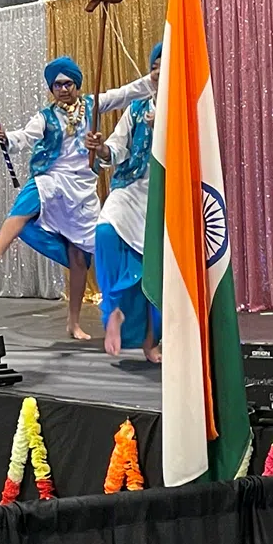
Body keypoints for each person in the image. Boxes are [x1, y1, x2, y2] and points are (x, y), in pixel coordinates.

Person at [0, 55, 156, 340]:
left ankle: (77, 321)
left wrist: (154, 78)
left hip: (82, 190)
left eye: (68, 83)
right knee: (31, 196)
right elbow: (25, 136)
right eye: (57, 85)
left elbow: (125, 93)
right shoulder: (45, 117)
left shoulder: (92, 104)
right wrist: (6, 138)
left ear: (77, 85)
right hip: (54, 178)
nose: (63, 89)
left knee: (79, 259)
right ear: (52, 89)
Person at [86, 43, 163, 362]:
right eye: (154, 65)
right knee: (105, 233)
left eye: (164, 65)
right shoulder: (136, 109)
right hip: (129, 188)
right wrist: (102, 149)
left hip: (164, 197)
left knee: (155, 271)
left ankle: (151, 341)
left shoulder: (187, 109)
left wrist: (165, 124)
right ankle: (114, 308)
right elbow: (117, 148)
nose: (158, 71)